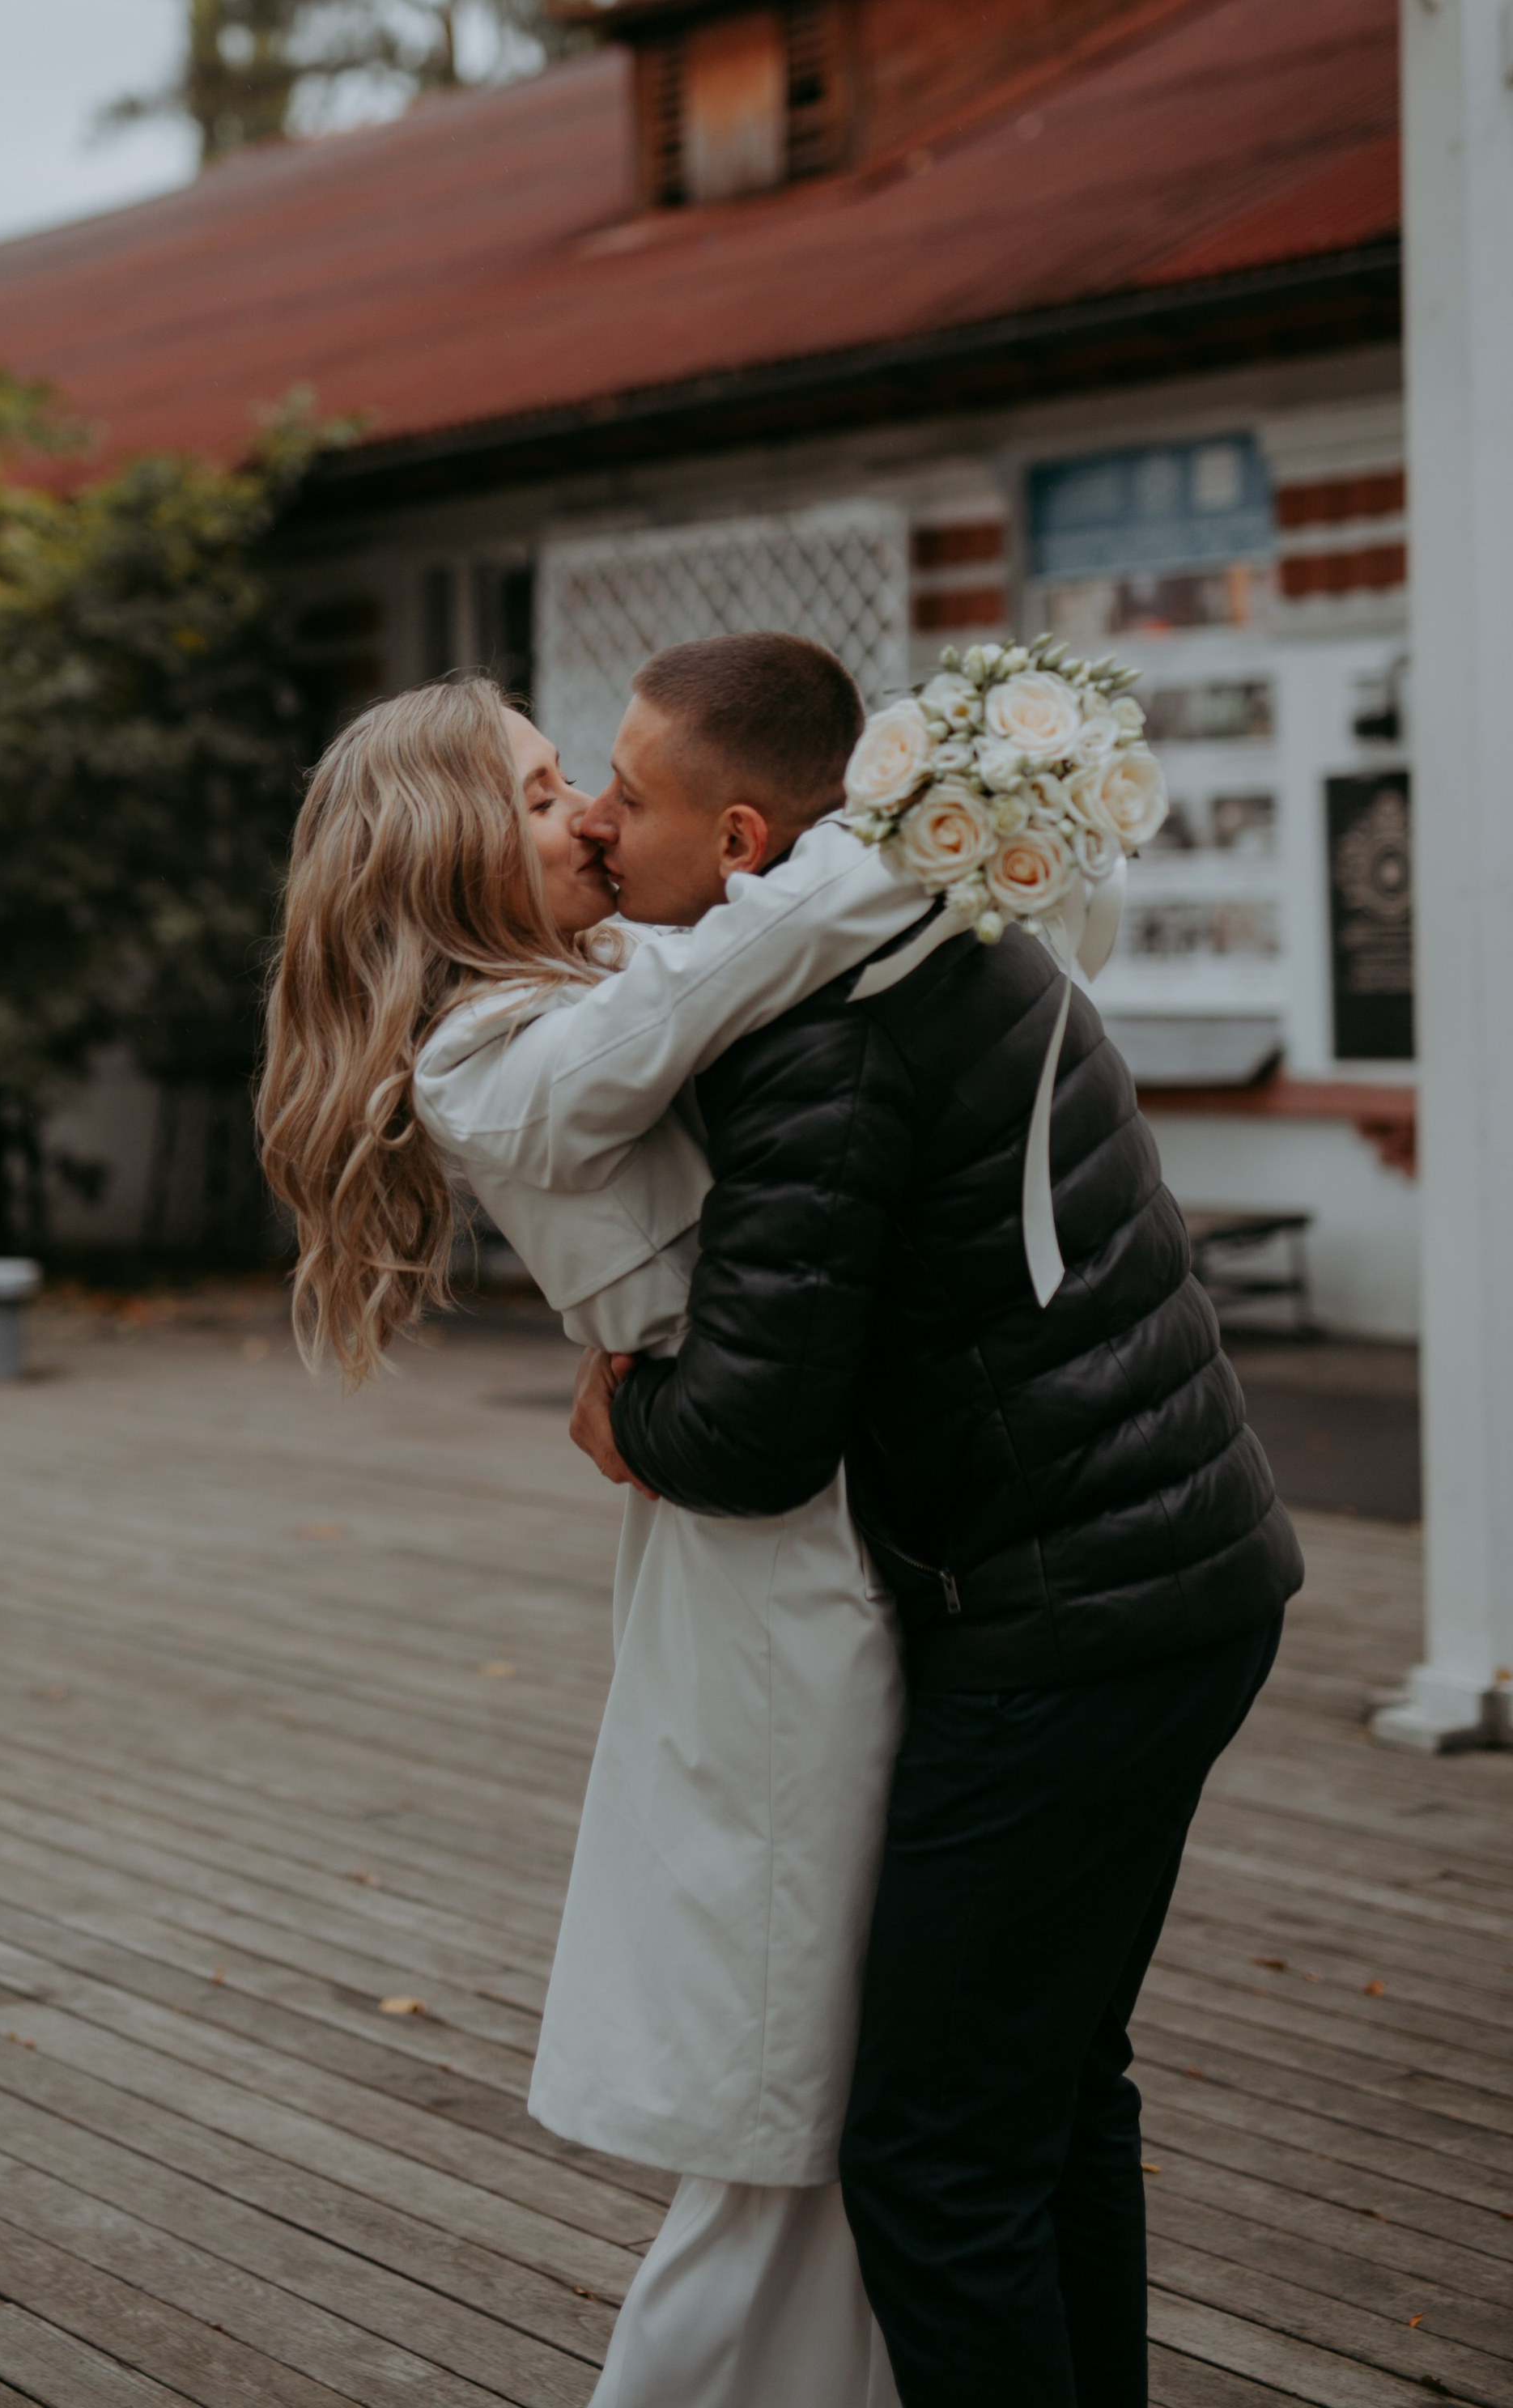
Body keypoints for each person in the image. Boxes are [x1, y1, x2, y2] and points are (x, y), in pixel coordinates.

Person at [572, 635, 1304, 2408]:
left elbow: (748, 1431)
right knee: (1051, 2095)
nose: (594, 829)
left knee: (928, 2157)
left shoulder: (817, 1035)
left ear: (739, 839)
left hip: (1076, 1615)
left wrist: (620, 1411)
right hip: (1181, 1570)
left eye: (624, 795)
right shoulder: (913, 919)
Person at [257, 655, 935, 2406]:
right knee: (800, 2071)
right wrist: (945, 814)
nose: (588, 816)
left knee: (847, 2064)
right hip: (768, 1571)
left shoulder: (587, 979)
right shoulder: (495, 1058)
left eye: (585, 783)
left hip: (793, 1522)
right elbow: (750, 955)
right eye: (546, 787)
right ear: (441, 846)